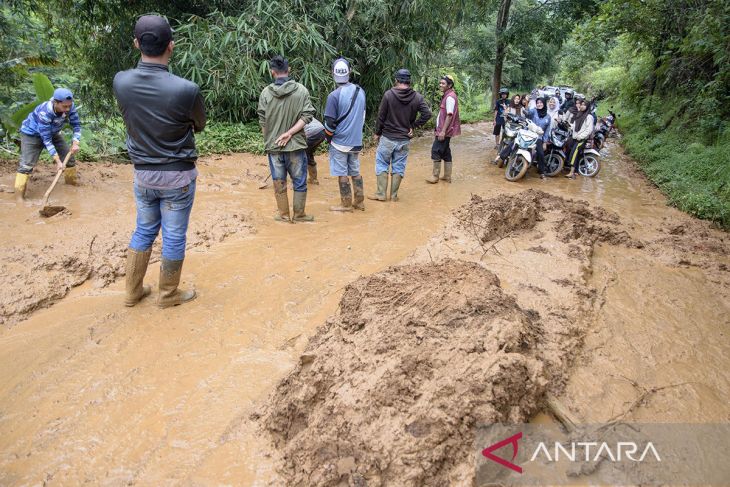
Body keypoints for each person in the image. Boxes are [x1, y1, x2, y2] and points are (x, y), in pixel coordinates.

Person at [113, 15, 206, 308]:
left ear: (136, 44)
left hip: (143, 175)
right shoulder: (186, 89)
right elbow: (199, 124)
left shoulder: (121, 81)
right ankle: (167, 294)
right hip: (177, 177)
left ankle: (132, 292)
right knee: (174, 235)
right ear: (172, 46)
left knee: (143, 230)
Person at [258, 55, 316, 221]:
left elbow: (262, 120)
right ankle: (299, 215)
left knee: (279, 182)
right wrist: (291, 133)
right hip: (295, 146)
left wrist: (269, 140)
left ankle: (283, 216)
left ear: (272, 72)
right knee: (299, 181)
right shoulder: (301, 90)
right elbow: (307, 116)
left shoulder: (265, 93)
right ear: (288, 70)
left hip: (274, 147)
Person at [368, 69, 431, 202]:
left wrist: (377, 132)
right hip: (404, 139)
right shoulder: (417, 97)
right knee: (399, 166)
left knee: (382, 163)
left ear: (396, 80)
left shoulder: (388, 95)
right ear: (409, 81)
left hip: (387, 137)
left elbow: (381, 116)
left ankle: (381, 194)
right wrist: (413, 126)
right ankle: (394, 196)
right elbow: (427, 114)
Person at [14, 87, 82, 200]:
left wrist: (75, 142)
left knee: (69, 160)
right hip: (32, 134)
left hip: (53, 132)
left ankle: (71, 188)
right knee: (26, 165)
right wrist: (58, 162)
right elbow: (46, 140)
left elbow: (76, 125)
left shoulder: (70, 107)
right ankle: (19, 198)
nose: (67, 108)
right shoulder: (44, 112)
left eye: (69, 106)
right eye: (64, 106)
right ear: (55, 102)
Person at [324, 58, 366, 212]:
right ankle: (359, 202)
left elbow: (330, 123)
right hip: (356, 141)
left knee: (342, 173)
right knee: (355, 171)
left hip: (339, 143)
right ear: (349, 72)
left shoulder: (334, 96)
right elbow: (362, 116)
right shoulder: (360, 91)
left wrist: (328, 138)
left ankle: (346, 204)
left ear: (333, 73)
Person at [426, 75, 460, 184]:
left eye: (443, 83)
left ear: (449, 85)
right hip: (445, 129)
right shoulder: (449, 95)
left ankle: (435, 176)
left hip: (444, 130)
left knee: (436, 150)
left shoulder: (449, 97)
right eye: (440, 83)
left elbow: (449, 115)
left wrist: (443, 131)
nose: (440, 85)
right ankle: (447, 176)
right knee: (445, 152)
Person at [563, 96, 594, 179]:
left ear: (587, 107)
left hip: (581, 139)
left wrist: (580, 136)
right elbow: (576, 126)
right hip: (575, 137)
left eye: (584, 105)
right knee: (570, 151)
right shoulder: (579, 114)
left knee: (574, 154)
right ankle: (573, 170)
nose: (582, 106)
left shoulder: (589, 117)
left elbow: (589, 129)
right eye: (582, 104)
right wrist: (570, 126)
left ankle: (572, 172)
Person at [525, 97, 552, 179]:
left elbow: (547, 131)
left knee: (540, 153)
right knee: (516, 144)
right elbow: (527, 113)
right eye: (538, 103)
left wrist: (544, 142)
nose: (539, 104)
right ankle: (502, 157)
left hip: (538, 137)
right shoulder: (534, 111)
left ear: (544, 104)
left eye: (541, 103)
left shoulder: (548, 117)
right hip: (529, 134)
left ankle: (542, 172)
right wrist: (527, 103)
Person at [304, 118, 326, 185]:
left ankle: (301, 181)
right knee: (308, 153)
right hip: (322, 132)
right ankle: (313, 179)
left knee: (301, 155)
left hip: (312, 133)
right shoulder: (301, 109)